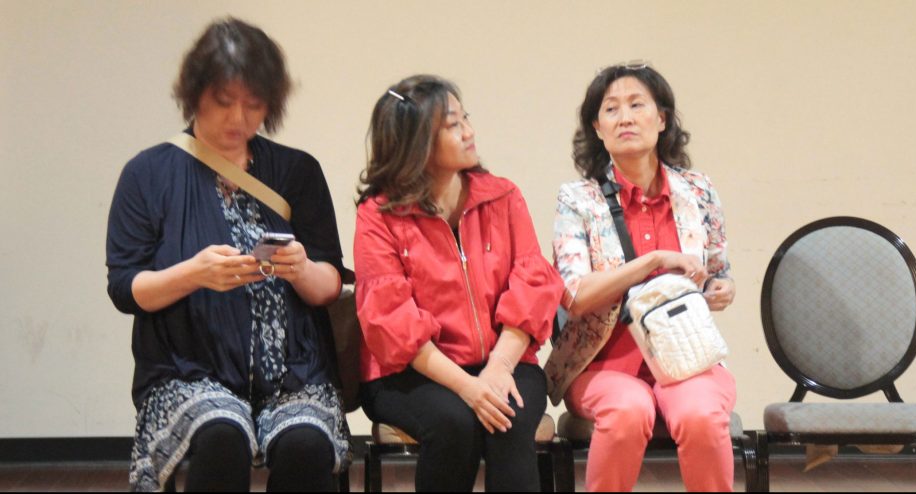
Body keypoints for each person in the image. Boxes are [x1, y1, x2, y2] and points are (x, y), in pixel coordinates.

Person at [105, 18, 350, 492]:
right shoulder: (148, 174)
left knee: (306, 446)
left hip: (293, 378)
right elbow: (124, 288)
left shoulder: (297, 171)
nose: (238, 118)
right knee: (222, 436)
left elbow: (330, 285)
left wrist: (301, 269)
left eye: (253, 104)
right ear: (194, 94)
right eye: (223, 101)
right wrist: (194, 274)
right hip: (187, 374)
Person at [354, 75, 563, 492]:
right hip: (412, 371)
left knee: (508, 417)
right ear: (417, 144)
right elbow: (392, 320)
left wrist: (498, 368)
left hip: (506, 357)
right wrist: (470, 387)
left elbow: (532, 287)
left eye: (465, 118)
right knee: (454, 423)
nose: (469, 131)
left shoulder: (502, 196)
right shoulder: (378, 215)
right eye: (453, 125)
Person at [544, 62, 738, 492]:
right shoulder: (577, 200)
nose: (625, 118)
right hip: (601, 363)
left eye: (637, 105)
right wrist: (651, 262)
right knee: (628, 412)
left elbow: (718, 273)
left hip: (686, 358)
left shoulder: (698, 191)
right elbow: (574, 296)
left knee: (700, 415)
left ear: (662, 119)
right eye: (611, 109)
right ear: (597, 128)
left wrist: (720, 289)